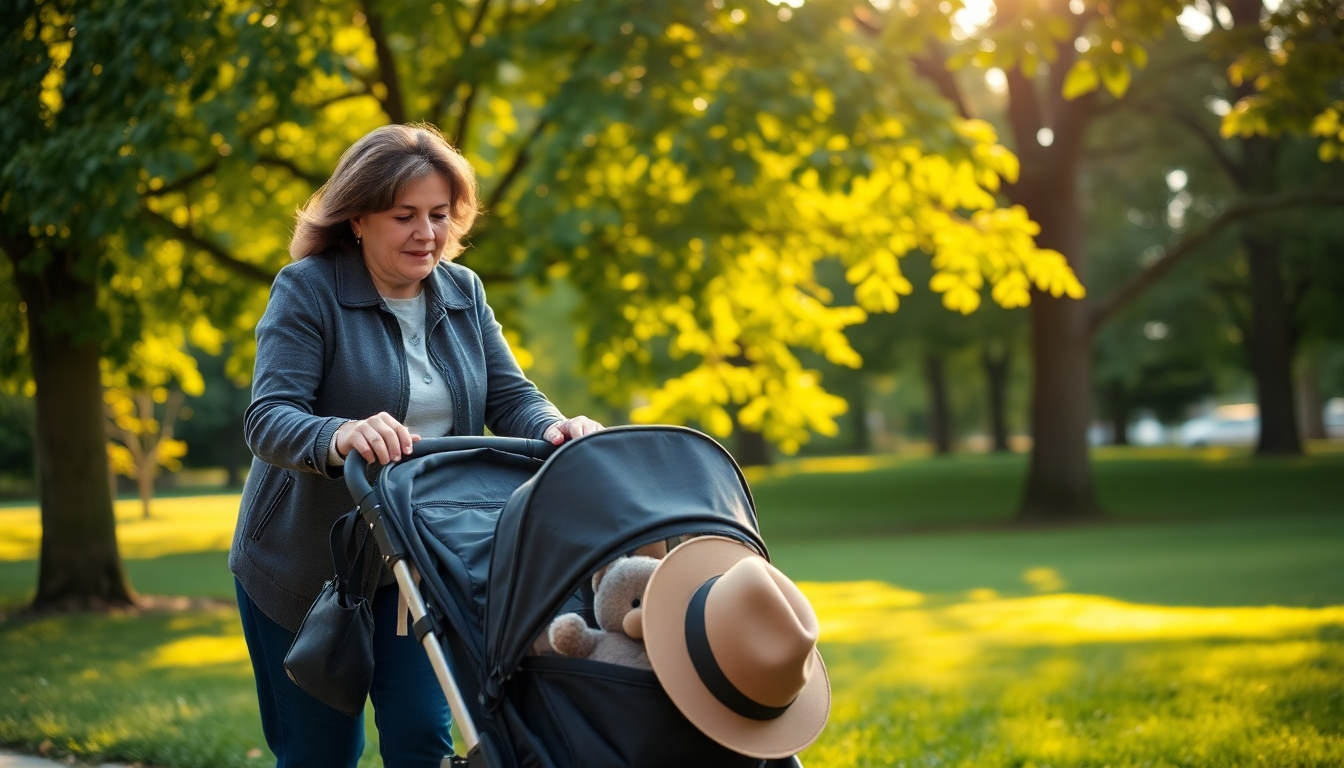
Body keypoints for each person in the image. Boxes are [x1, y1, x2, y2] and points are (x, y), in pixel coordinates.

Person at [229, 123, 602, 768]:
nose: (426, 234)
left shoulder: (464, 291)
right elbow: (267, 417)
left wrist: (552, 427)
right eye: (404, 216)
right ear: (357, 218)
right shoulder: (307, 289)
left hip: (417, 563)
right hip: (304, 572)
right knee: (320, 755)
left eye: (438, 215)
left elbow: (510, 397)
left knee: (422, 742)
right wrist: (337, 433)